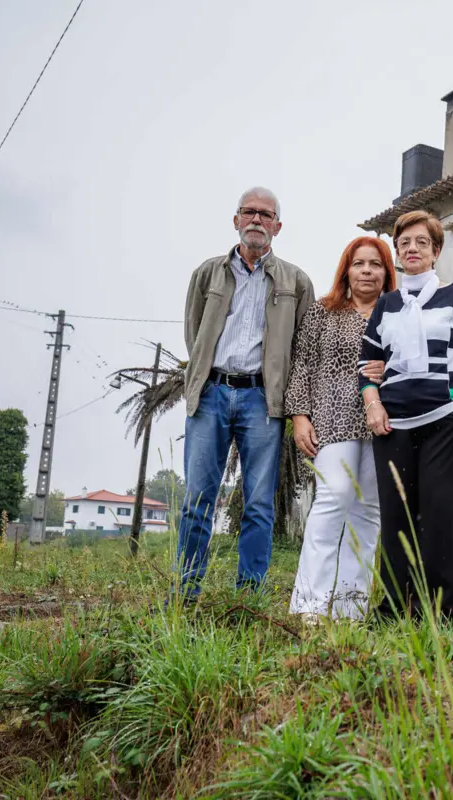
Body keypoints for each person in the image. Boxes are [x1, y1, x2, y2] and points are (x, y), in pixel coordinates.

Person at [176, 187, 314, 601]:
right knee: (197, 498)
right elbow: (194, 331)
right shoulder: (208, 273)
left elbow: (302, 345)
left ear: (278, 226)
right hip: (212, 393)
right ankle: (186, 591)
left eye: (265, 214)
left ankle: (248, 596)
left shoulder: (295, 281)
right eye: (248, 212)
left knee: (257, 503)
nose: (256, 220)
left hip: (262, 401)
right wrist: (204, 375)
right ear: (236, 220)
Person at [359, 210, 453, 621]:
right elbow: (368, 362)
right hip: (393, 424)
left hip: (444, 421)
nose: (412, 249)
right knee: (397, 517)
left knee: (440, 513)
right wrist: (373, 404)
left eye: (421, 242)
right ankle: (396, 607)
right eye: (405, 243)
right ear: (397, 252)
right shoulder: (386, 305)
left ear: (435, 251)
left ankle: (446, 610)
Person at [286, 237, 397, 622]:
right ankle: (310, 606)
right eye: (359, 264)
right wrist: (300, 416)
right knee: (332, 501)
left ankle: (351, 610)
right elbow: (301, 365)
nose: (367, 271)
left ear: (386, 272)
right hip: (333, 419)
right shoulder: (323, 312)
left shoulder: (396, 313)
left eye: (376, 264)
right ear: (346, 270)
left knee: (368, 512)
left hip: (384, 421)